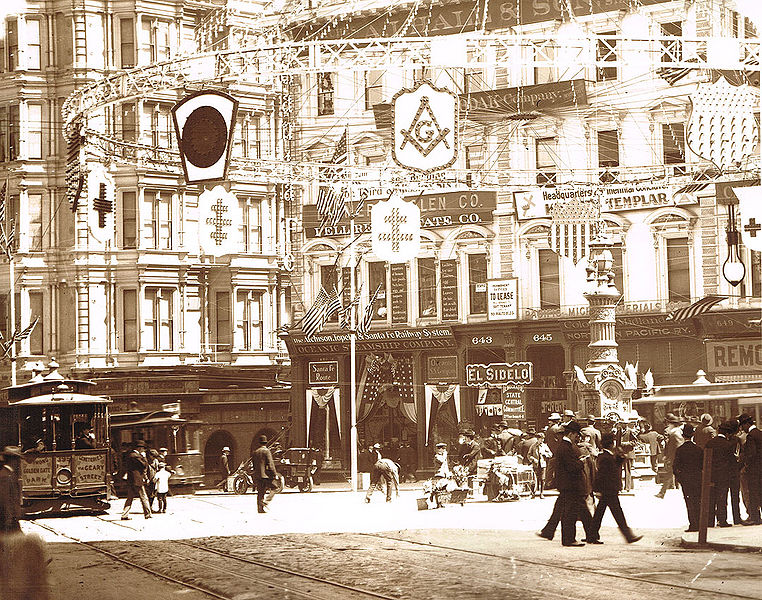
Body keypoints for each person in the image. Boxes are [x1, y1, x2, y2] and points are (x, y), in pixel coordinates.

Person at [587, 432, 642, 544]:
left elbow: (616, 464)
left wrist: (620, 456)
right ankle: (628, 535)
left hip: (608, 490)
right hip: (609, 490)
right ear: (611, 444)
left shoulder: (607, 456)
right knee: (617, 514)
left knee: (600, 514)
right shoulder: (606, 457)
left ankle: (592, 535)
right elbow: (603, 475)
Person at [673, 423, 703, 532]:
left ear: (683, 435)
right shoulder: (698, 449)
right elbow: (703, 465)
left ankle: (693, 524)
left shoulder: (680, 450)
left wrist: (681, 479)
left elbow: (675, 467)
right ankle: (699, 524)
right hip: (697, 479)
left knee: (689, 502)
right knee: (698, 501)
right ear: (693, 434)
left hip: (686, 481)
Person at [705, 421, 735, 528]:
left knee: (711, 498)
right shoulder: (728, 445)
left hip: (711, 476)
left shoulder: (710, 443)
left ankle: (709, 521)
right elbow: (732, 462)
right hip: (723, 476)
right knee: (722, 498)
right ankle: (722, 520)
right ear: (727, 434)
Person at [738, 413, 762, 525]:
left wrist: (746, 464)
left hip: (754, 470)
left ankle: (755, 518)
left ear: (747, 424)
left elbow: (751, 454)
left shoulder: (751, 436)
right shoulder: (760, 433)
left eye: (742, 426)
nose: (742, 428)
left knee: (753, 493)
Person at [655, 413, 684, 499]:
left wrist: (669, 457)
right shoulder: (675, 433)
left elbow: (676, 447)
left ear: (672, 424)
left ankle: (662, 492)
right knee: (670, 475)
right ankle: (662, 492)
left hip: (675, 458)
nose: (668, 425)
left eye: (669, 423)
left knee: (670, 474)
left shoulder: (675, 434)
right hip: (675, 458)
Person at [121, 440, 152, 520]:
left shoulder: (130, 454)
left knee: (130, 498)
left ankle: (124, 515)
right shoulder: (135, 456)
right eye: (143, 448)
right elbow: (144, 465)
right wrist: (144, 457)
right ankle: (148, 514)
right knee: (143, 497)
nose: (143, 450)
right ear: (139, 448)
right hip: (137, 480)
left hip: (131, 479)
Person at [251, 435, 278, 513]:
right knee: (275, 488)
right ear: (266, 443)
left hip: (257, 475)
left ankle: (260, 509)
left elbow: (254, 465)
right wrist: (274, 474)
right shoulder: (266, 451)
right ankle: (266, 501)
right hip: (266, 475)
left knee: (260, 491)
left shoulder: (255, 452)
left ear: (259, 443)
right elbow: (271, 464)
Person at [0, 446, 22, 534]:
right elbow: (5, 499)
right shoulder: (6, 475)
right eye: (18, 459)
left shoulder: (9, 473)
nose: (19, 463)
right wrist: (9, 518)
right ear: (13, 460)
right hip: (7, 520)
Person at [528, 432, 552, 498]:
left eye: (543, 439)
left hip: (542, 465)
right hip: (535, 465)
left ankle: (541, 493)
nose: (542, 440)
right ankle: (533, 493)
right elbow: (529, 455)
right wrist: (532, 459)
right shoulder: (533, 446)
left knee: (542, 479)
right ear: (537, 439)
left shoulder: (545, 446)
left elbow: (550, 454)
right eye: (541, 439)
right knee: (534, 479)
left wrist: (545, 454)